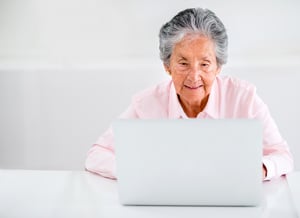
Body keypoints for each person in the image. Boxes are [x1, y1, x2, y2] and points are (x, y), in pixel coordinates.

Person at [85, 8, 293, 180]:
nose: (194, 76)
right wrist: (138, 172)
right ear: (167, 66)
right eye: (183, 63)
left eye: (205, 64)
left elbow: (283, 156)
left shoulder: (244, 98)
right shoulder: (146, 103)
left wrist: (261, 169)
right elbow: (96, 155)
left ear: (218, 67)